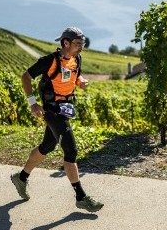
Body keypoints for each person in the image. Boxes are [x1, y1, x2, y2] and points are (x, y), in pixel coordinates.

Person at [10, 26, 103, 212]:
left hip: (65, 109)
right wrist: (33, 103)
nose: (81, 47)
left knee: (47, 146)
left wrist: (80, 81)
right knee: (71, 150)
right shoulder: (49, 61)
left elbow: (74, 75)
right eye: (78, 44)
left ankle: (21, 178)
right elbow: (25, 77)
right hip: (52, 110)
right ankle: (81, 197)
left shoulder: (77, 59)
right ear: (66, 43)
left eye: (83, 44)